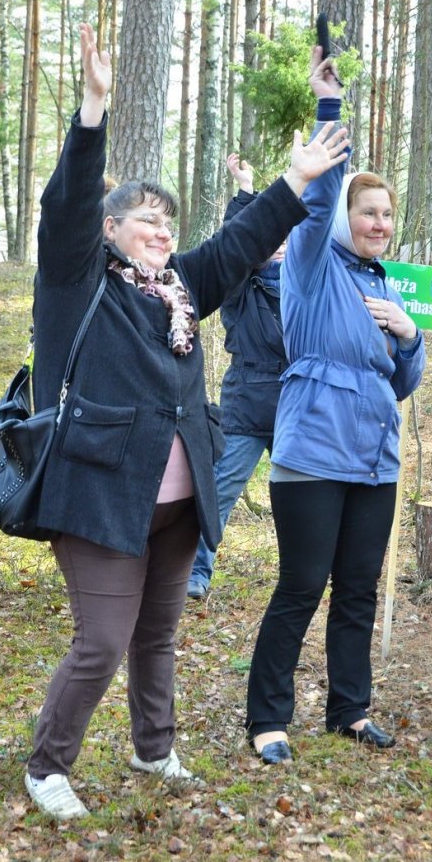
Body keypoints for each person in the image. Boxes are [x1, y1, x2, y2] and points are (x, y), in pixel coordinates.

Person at [23, 23, 350, 818]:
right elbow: (68, 205)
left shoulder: (178, 289)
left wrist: (293, 179)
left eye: (169, 221)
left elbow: (240, 242)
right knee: (102, 642)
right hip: (100, 497)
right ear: (108, 231)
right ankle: (47, 766)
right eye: (145, 219)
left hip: (175, 502)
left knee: (156, 636)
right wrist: (92, 110)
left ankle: (153, 747)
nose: (163, 231)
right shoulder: (76, 281)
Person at [245, 48, 426, 765]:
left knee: (357, 590)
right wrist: (330, 111)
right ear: (346, 218)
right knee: (300, 587)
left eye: (386, 215)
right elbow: (315, 205)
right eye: (368, 212)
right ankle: (267, 718)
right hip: (315, 452)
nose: (379, 224)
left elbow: (399, 384)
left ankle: (349, 710)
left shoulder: (385, 285)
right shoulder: (312, 265)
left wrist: (410, 338)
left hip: (375, 461)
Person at [187, 153, 288, 600]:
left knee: (303, 499)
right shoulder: (239, 285)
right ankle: (194, 572)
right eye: (270, 237)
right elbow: (232, 243)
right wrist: (245, 192)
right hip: (247, 403)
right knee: (219, 491)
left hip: (297, 405)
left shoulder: (305, 285)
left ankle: (303, 574)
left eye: (284, 236)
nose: (278, 244)